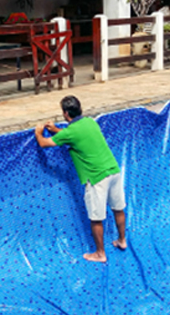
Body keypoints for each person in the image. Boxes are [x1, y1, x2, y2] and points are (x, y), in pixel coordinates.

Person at [35, 95, 127, 263]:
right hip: (113, 170)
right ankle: (122, 240)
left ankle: (100, 253)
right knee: (118, 208)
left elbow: (44, 143)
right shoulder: (90, 122)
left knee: (96, 218)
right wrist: (56, 129)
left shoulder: (71, 132)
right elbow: (75, 135)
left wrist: (38, 132)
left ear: (65, 113)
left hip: (96, 177)